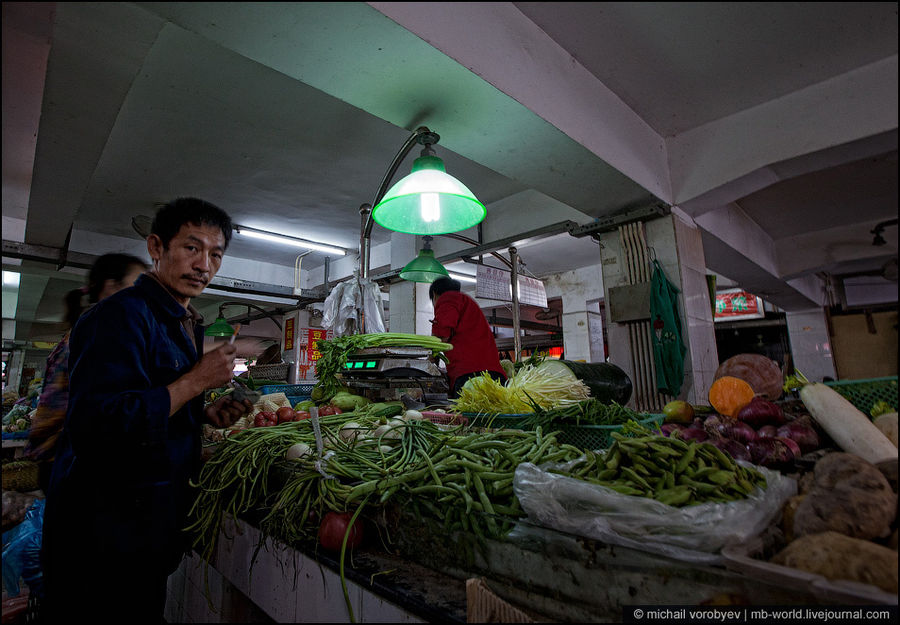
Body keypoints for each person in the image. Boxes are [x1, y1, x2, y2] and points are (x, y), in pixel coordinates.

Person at [40, 198, 253, 623]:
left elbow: (153, 398)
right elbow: (96, 425)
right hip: (102, 536)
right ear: (157, 247)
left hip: (146, 529)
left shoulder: (182, 321)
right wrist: (196, 381)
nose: (204, 265)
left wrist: (203, 411)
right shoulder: (118, 316)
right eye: (191, 248)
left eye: (215, 254)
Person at [25, 253, 148, 493]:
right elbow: (117, 410)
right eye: (139, 286)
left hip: (62, 457)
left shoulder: (87, 328)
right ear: (112, 288)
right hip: (73, 460)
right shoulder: (99, 333)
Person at [429, 277, 507, 397]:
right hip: (494, 374)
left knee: (468, 415)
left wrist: (431, 353)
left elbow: (441, 336)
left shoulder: (447, 299)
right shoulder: (467, 302)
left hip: (470, 376)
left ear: (434, 295)